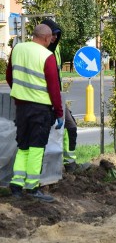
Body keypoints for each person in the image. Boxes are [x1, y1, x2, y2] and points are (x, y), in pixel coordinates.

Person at [6, 24, 64, 203]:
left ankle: (16, 186)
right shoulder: (47, 56)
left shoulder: (17, 49)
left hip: (21, 108)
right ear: (46, 38)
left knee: (22, 146)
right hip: (40, 109)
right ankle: (32, 187)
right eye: (50, 39)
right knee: (36, 148)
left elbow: (9, 76)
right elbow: (54, 88)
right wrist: (59, 111)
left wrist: (21, 91)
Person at [41, 18, 78, 172]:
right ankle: (48, 168)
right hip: (43, 99)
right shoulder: (40, 51)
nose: (55, 37)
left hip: (58, 97)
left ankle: (70, 162)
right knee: (47, 135)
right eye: (53, 34)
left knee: (71, 126)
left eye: (57, 34)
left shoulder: (55, 48)